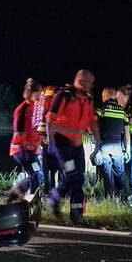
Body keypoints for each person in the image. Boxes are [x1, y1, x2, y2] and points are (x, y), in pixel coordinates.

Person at [44, 69, 99, 222]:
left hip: (77, 145)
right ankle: (54, 198)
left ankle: (77, 215)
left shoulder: (88, 99)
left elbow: (92, 120)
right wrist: (52, 144)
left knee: (79, 178)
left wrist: (97, 139)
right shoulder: (63, 96)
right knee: (71, 175)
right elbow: (50, 120)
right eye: (90, 82)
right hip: (62, 144)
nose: (92, 85)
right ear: (82, 82)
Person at [8, 79, 44, 198]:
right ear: (33, 92)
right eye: (40, 91)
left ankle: (31, 200)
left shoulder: (35, 107)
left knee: (37, 176)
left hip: (31, 150)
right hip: (23, 150)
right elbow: (19, 133)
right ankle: (17, 191)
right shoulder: (23, 109)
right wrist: (29, 146)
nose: (42, 94)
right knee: (37, 175)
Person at [95, 87, 128, 201]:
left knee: (107, 172)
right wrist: (127, 149)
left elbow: (94, 123)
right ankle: (123, 197)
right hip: (118, 146)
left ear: (106, 96)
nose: (102, 98)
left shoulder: (102, 109)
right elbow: (127, 132)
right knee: (120, 171)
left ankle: (111, 197)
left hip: (105, 144)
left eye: (103, 96)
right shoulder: (122, 111)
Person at [34, 84, 60, 191]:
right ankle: (55, 188)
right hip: (55, 137)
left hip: (43, 137)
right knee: (56, 165)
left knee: (45, 165)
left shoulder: (41, 101)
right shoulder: (56, 101)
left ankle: (46, 188)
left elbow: (36, 121)